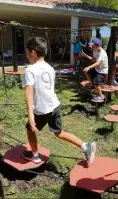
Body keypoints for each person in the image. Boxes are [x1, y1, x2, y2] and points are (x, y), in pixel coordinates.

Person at [22, 36, 97, 166]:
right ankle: (85, 146)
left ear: (33, 52)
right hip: (54, 106)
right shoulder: (50, 68)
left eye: (27, 53)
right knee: (59, 133)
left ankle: (35, 156)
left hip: (41, 110)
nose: (27, 56)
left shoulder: (30, 70)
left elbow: (28, 93)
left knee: (30, 129)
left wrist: (30, 115)